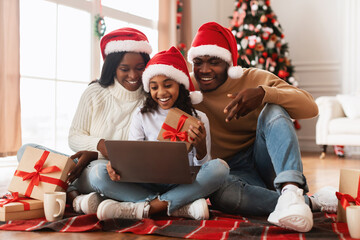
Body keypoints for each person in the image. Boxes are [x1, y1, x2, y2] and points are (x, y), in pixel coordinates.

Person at [186, 22, 337, 232]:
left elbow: (311, 107)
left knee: (274, 108)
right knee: (221, 195)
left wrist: (263, 94)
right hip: (231, 171)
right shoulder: (186, 87)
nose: (205, 70)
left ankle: (291, 188)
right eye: (198, 62)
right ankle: (307, 203)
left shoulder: (253, 78)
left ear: (229, 63)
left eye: (214, 62)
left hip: (266, 159)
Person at [16, 27, 152, 215]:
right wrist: (99, 145)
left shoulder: (151, 99)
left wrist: (99, 155)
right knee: (27, 151)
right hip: (82, 164)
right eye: (124, 69)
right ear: (113, 67)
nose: (133, 75)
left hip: (110, 172)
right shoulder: (94, 92)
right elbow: (74, 137)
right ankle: (79, 196)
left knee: (98, 174)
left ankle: (74, 194)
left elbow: (145, 152)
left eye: (139, 68)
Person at [93, 46, 229, 221]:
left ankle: (148, 208)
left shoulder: (199, 118)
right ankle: (177, 206)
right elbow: (133, 157)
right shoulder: (141, 115)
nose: (162, 93)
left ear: (180, 85)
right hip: (147, 183)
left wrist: (201, 147)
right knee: (98, 174)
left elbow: (202, 167)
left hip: (184, 182)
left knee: (220, 168)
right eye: (154, 87)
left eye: (168, 85)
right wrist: (117, 168)